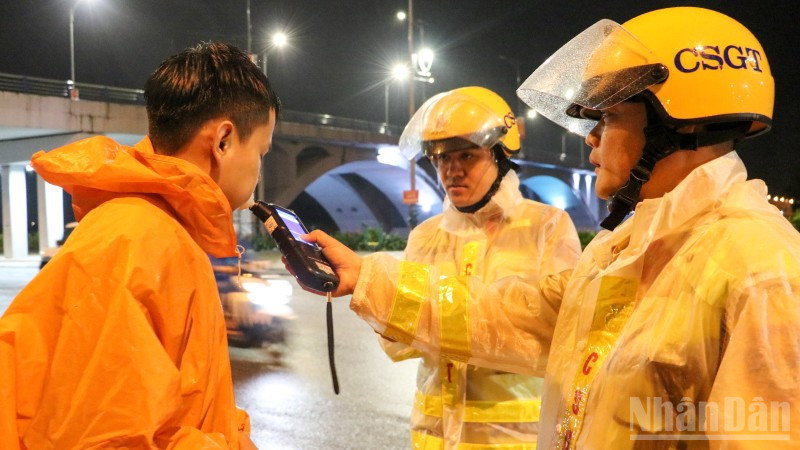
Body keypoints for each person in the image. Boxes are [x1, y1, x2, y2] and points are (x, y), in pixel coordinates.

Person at [308, 7, 800, 448]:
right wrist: (367, 276)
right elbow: (504, 314)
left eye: (606, 117)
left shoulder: (760, 267)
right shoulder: (628, 251)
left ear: (678, 126)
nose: (592, 140)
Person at [0, 42, 279, 449]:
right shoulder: (142, 242)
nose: (258, 169)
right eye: (262, 151)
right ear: (223, 141)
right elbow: (106, 437)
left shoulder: (156, 229)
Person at [304, 86, 581, 448]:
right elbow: (401, 346)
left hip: (514, 441)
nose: (452, 170)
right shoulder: (426, 235)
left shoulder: (547, 227)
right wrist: (376, 298)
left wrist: (376, 280)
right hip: (434, 439)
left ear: (501, 155)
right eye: (440, 158)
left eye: (467, 155)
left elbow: (553, 334)